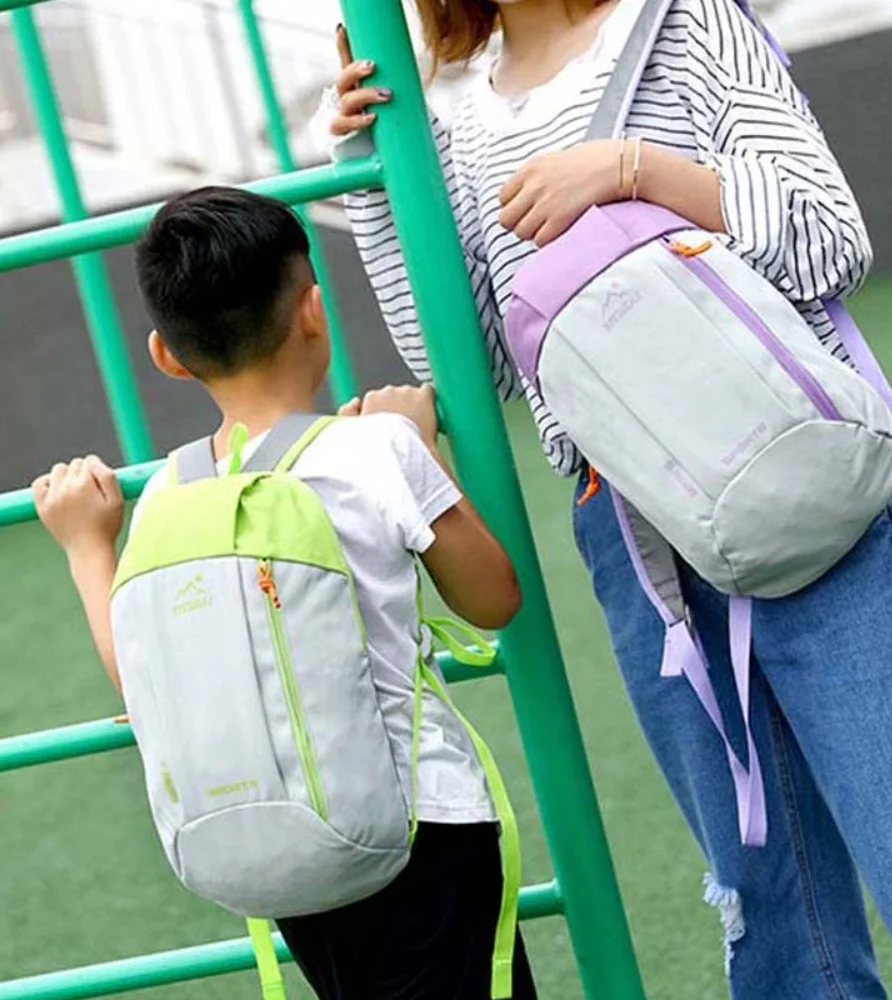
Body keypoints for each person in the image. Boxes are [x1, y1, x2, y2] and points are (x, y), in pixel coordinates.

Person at [315, 2, 892, 997]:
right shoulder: (454, 107)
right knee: (778, 944)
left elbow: (824, 236)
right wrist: (379, 169)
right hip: (636, 539)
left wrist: (635, 174)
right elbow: (464, 359)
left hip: (802, 491)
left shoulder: (681, 24)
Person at [31, 187, 537, 1000]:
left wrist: (90, 548)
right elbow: (492, 597)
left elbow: (143, 675)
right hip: (422, 829)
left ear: (166, 354)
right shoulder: (376, 450)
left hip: (287, 849)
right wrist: (423, 445)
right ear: (313, 310)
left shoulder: (168, 494)